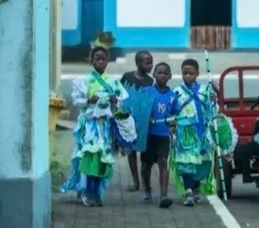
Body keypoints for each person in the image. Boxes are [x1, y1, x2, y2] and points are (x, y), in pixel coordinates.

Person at [63, 46, 132, 207]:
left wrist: (116, 101)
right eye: (97, 59)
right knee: (89, 157)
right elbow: (76, 101)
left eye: (103, 59)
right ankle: (87, 191)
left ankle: (97, 191)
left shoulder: (113, 81)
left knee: (103, 159)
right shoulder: (84, 82)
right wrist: (89, 100)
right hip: (90, 127)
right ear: (91, 61)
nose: (100, 62)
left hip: (106, 127)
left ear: (108, 61)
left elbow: (120, 103)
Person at [169, 58, 234, 205]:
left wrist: (213, 100)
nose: (187, 76)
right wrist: (172, 124)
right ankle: (189, 192)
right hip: (184, 134)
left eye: (191, 73)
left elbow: (213, 111)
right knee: (186, 163)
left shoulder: (205, 90)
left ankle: (196, 188)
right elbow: (172, 111)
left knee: (201, 164)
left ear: (197, 73)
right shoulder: (177, 92)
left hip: (202, 134)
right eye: (184, 73)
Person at [126, 62, 177, 207]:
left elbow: (175, 113)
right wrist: (145, 117)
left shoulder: (173, 96)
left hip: (163, 135)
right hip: (148, 135)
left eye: (165, 73)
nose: (162, 75)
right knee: (146, 165)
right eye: (159, 73)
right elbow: (137, 108)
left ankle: (163, 195)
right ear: (154, 75)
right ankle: (147, 189)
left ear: (170, 76)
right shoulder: (147, 91)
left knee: (163, 161)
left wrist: (173, 124)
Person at [120, 49, 155, 191]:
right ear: (138, 63)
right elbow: (120, 94)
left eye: (151, 63)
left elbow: (150, 99)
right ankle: (136, 181)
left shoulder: (150, 81)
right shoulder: (127, 77)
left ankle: (144, 178)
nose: (150, 66)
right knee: (131, 151)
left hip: (144, 120)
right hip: (129, 119)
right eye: (147, 63)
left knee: (145, 152)